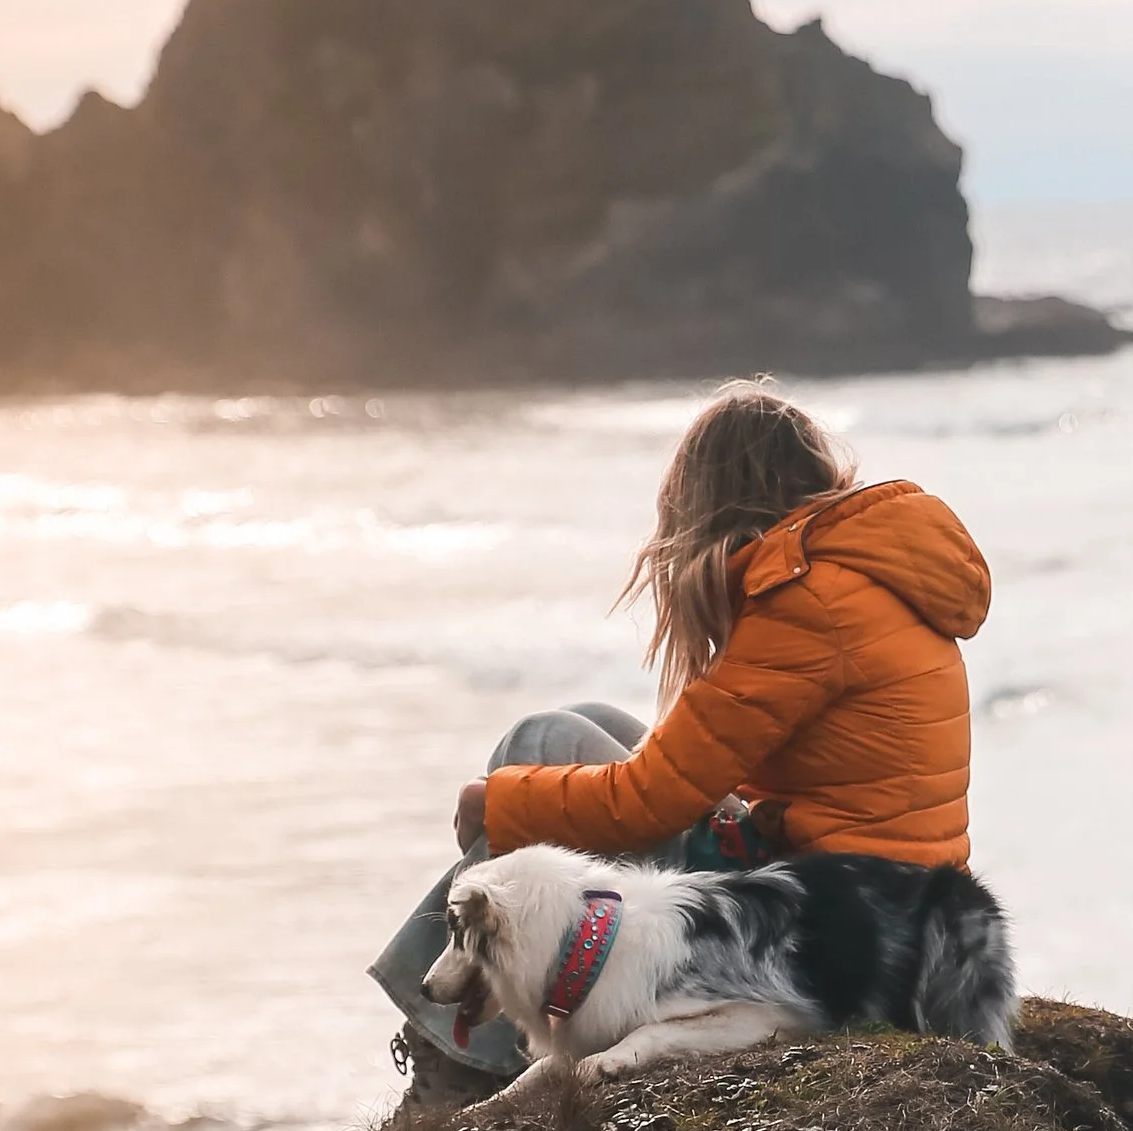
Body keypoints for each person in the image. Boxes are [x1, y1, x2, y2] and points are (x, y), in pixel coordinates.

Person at [372, 384, 992, 1084]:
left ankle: (459, 1060)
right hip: (858, 875)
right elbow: (689, 766)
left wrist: (502, 804)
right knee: (593, 726)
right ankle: (473, 1015)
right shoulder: (853, 570)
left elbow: (652, 802)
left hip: (822, 909)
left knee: (540, 747)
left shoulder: (808, 603)